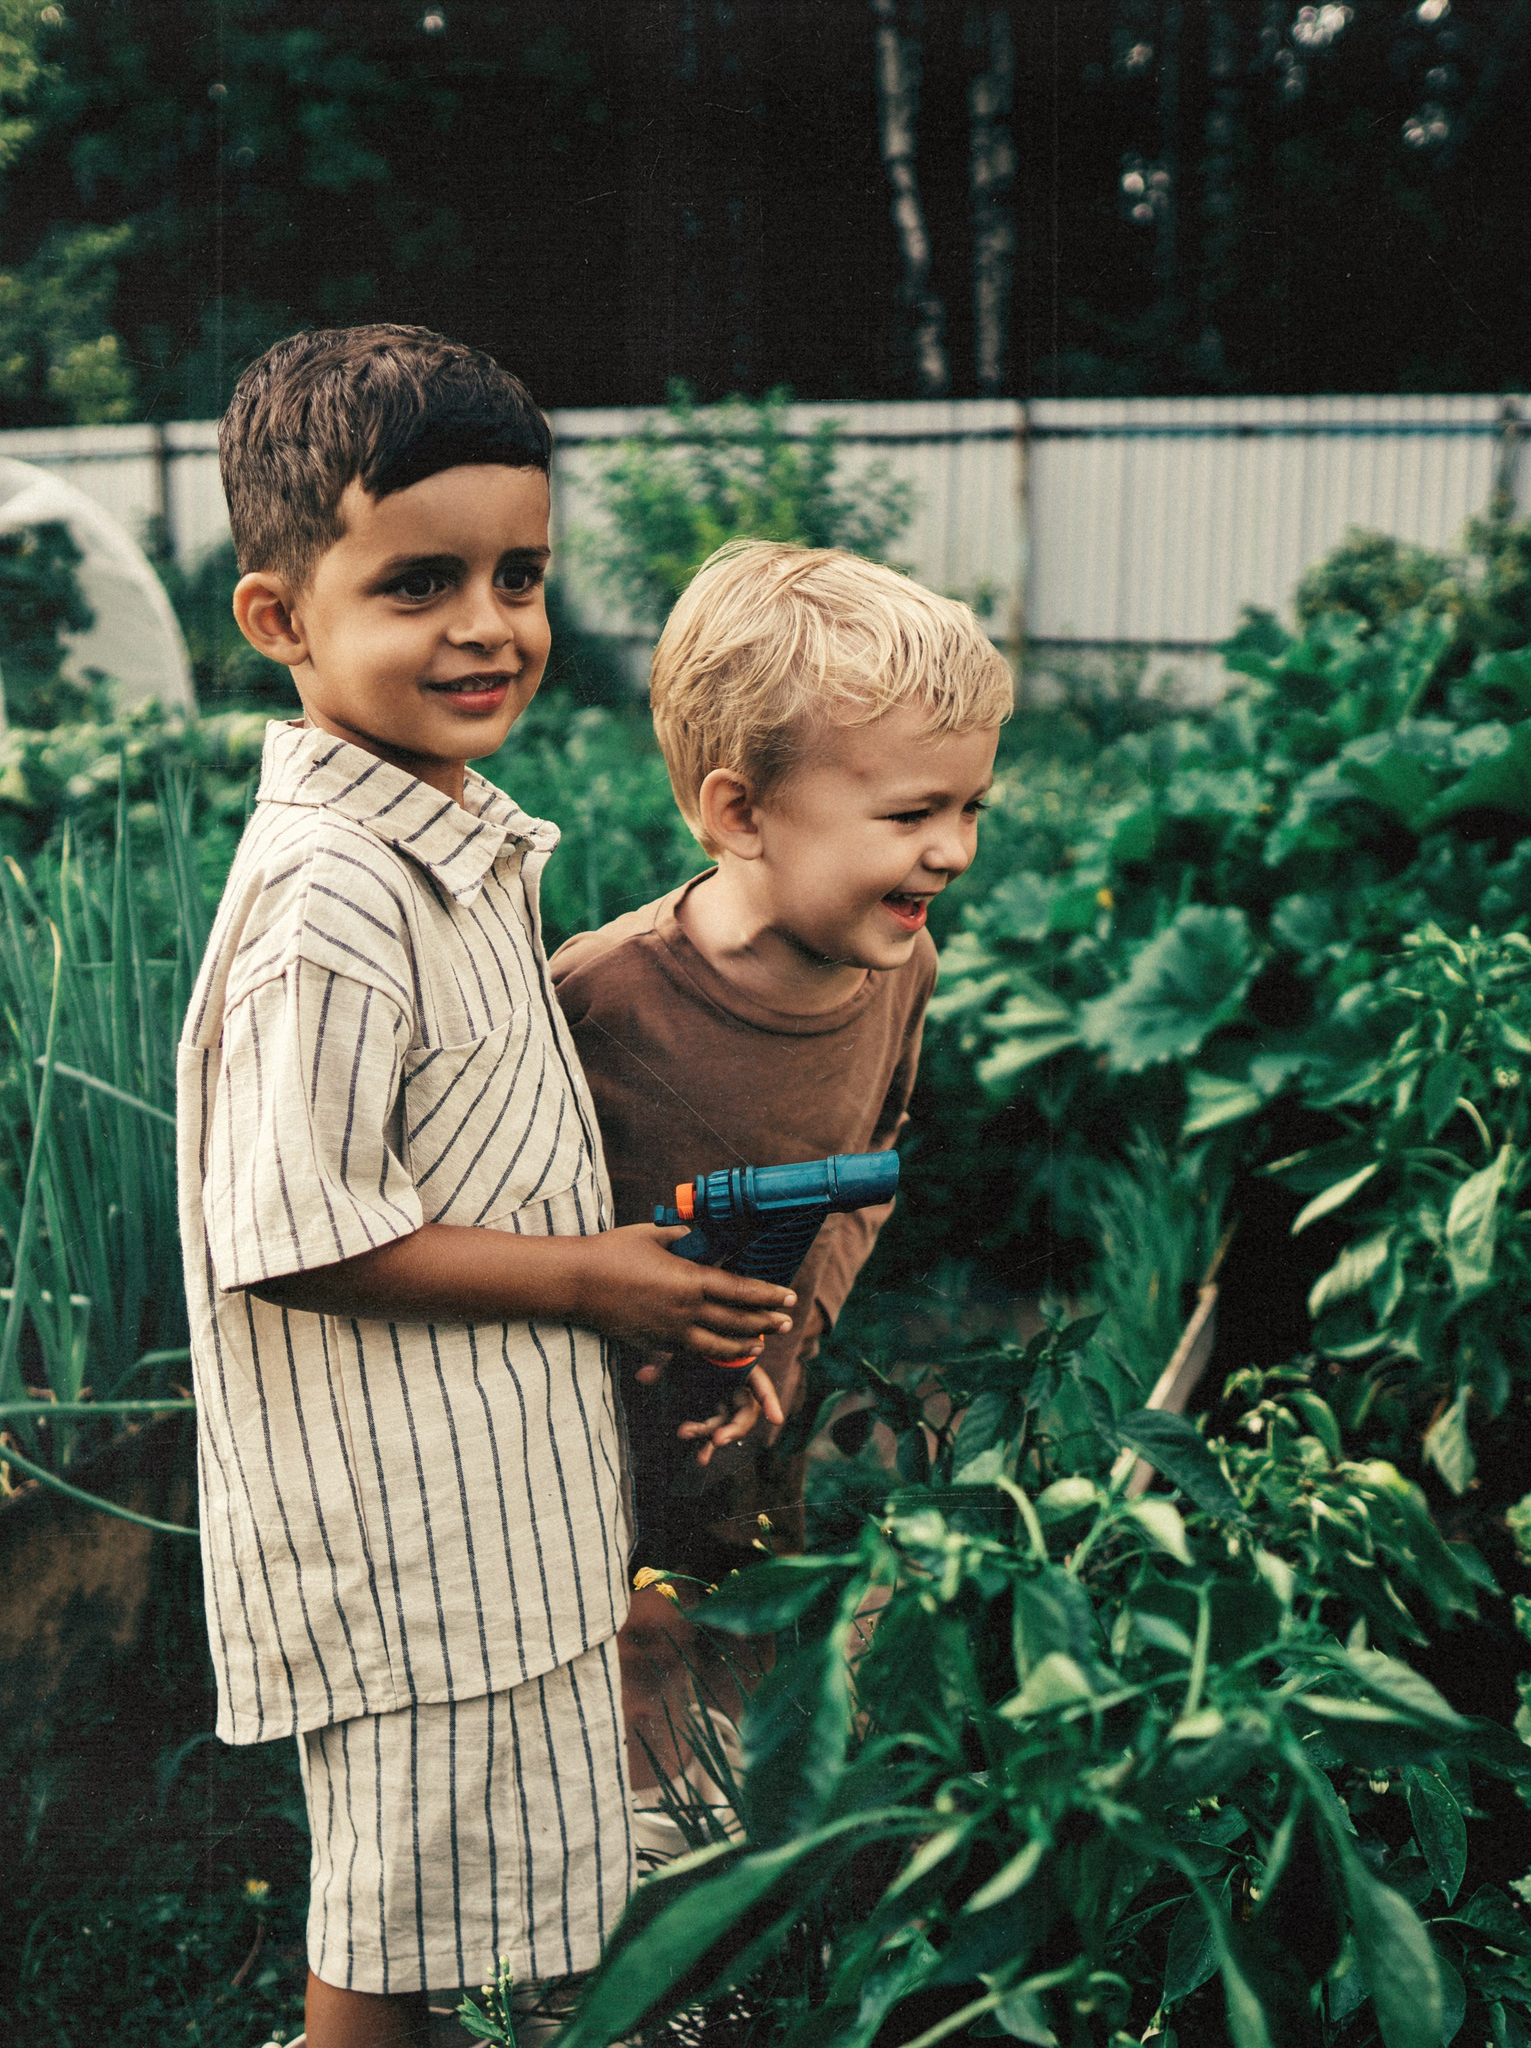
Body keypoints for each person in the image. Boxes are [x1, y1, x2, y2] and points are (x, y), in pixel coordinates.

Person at [176, 327, 798, 2048]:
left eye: (518, 576)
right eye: (419, 583)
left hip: (490, 1511)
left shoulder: (438, 841)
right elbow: (292, 1231)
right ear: (280, 619)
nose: (488, 625)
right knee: (389, 1918)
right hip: (404, 1543)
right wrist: (596, 1279)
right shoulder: (331, 897)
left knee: (475, 1887)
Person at [549, 540, 1011, 1844]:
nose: (954, 852)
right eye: (910, 816)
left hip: (758, 1394)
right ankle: (628, 1880)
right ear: (741, 814)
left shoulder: (900, 968)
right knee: (624, 1648)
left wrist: (790, 1331)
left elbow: (871, 1154)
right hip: (586, 1425)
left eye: (972, 809)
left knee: (751, 1597)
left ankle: (749, 1840)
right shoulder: (601, 1002)